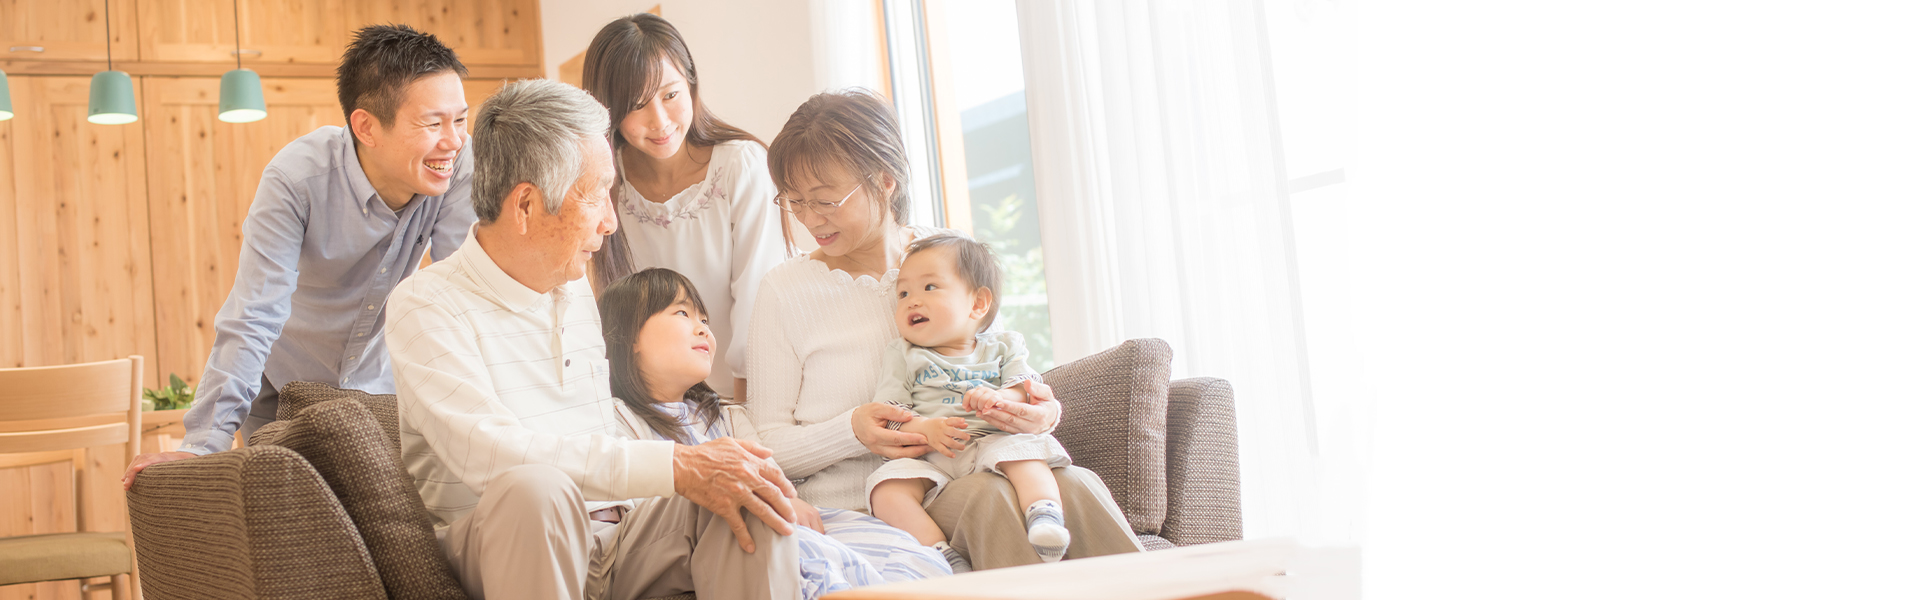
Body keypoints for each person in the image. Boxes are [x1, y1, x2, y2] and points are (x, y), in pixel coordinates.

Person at [385, 78, 801, 600]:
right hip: (505, 544)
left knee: (745, 488)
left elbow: (601, 434)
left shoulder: (574, 287)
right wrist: (674, 465)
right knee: (534, 488)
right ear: (526, 206)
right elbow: (490, 458)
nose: (609, 222)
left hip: (616, 537)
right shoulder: (425, 305)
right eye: (596, 194)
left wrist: (710, 466)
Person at [744, 89, 1146, 570]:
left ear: (886, 181)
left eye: (826, 201)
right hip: (879, 503)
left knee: (1076, 483)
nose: (811, 219)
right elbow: (767, 445)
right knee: (987, 496)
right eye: (795, 203)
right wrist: (853, 430)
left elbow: (998, 362)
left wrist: (1040, 411)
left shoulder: (948, 258)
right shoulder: (785, 291)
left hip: (974, 460)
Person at [123, 24, 476, 488]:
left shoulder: (454, 164)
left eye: (460, 119)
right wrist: (199, 447)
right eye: (433, 123)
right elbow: (254, 314)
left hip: (378, 384)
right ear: (366, 126)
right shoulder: (296, 180)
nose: (453, 140)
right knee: (290, 531)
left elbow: (462, 293)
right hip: (280, 389)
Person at [598, 267, 949, 598]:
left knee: (896, 548)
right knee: (802, 548)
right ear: (629, 337)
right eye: (682, 314)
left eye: (704, 319)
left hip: (763, 518)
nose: (704, 328)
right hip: (676, 539)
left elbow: (772, 474)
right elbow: (633, 518)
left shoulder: (726, 416)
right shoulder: (615, 419)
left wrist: (790, 498)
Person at [583, 13, 786, 401]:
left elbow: (759, 300)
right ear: (607, 111)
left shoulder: (740, 167)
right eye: (636, 105)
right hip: (654, 408)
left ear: (691, 83)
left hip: (746, 396)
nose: (659, 121)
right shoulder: (606, 184)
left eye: (670, 95)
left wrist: (740, 413)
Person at [864, 234, 1074, 572]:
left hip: (993, 438)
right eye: (903, 293)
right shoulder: (902, 354)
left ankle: (1045, 515)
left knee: (1025, 454)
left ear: (978, 304)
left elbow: (1027, 389)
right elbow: (890, 415)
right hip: (932, 455)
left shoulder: (1005, 346)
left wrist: (1000, 398)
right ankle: (941, 554)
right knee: (886, 491)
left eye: (929, 287)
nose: (912, 301)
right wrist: (926, 429)